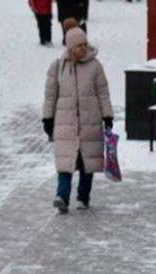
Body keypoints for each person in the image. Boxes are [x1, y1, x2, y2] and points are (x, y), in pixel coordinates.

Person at [42, 24, 113, 215]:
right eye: (78, 46)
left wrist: (107, 115)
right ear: (70, 47)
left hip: (90, 123)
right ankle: (62, 197)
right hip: (65, 125)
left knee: (86, 165)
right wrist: (47, 119)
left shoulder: (95, 66)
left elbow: (103, 93)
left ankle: (83, 197)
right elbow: (50, 97)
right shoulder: (58, 67)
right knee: (65, 165)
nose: (82, 48)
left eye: (84, 44)